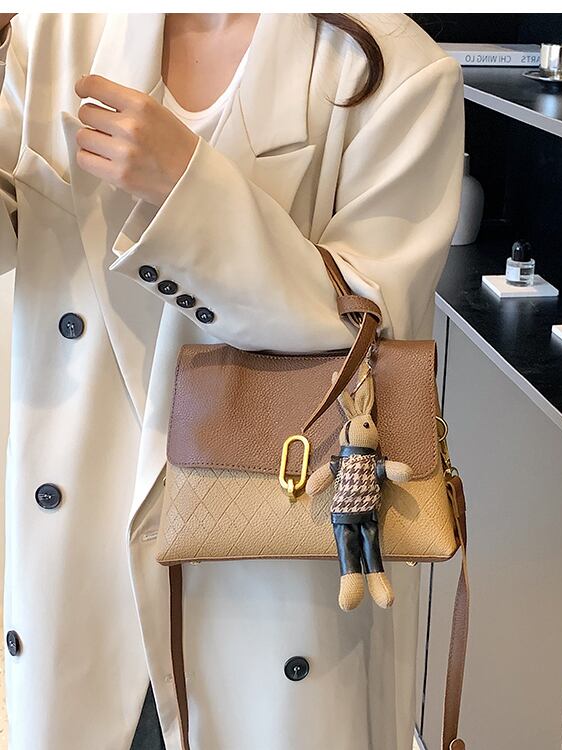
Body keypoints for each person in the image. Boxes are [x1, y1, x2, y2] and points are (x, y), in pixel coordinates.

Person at [0, 12, 464, 750]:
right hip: (75, 565)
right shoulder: (54, 32)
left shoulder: (395, 71)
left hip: (272, 560)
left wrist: (192, 194)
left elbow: (370, 338)